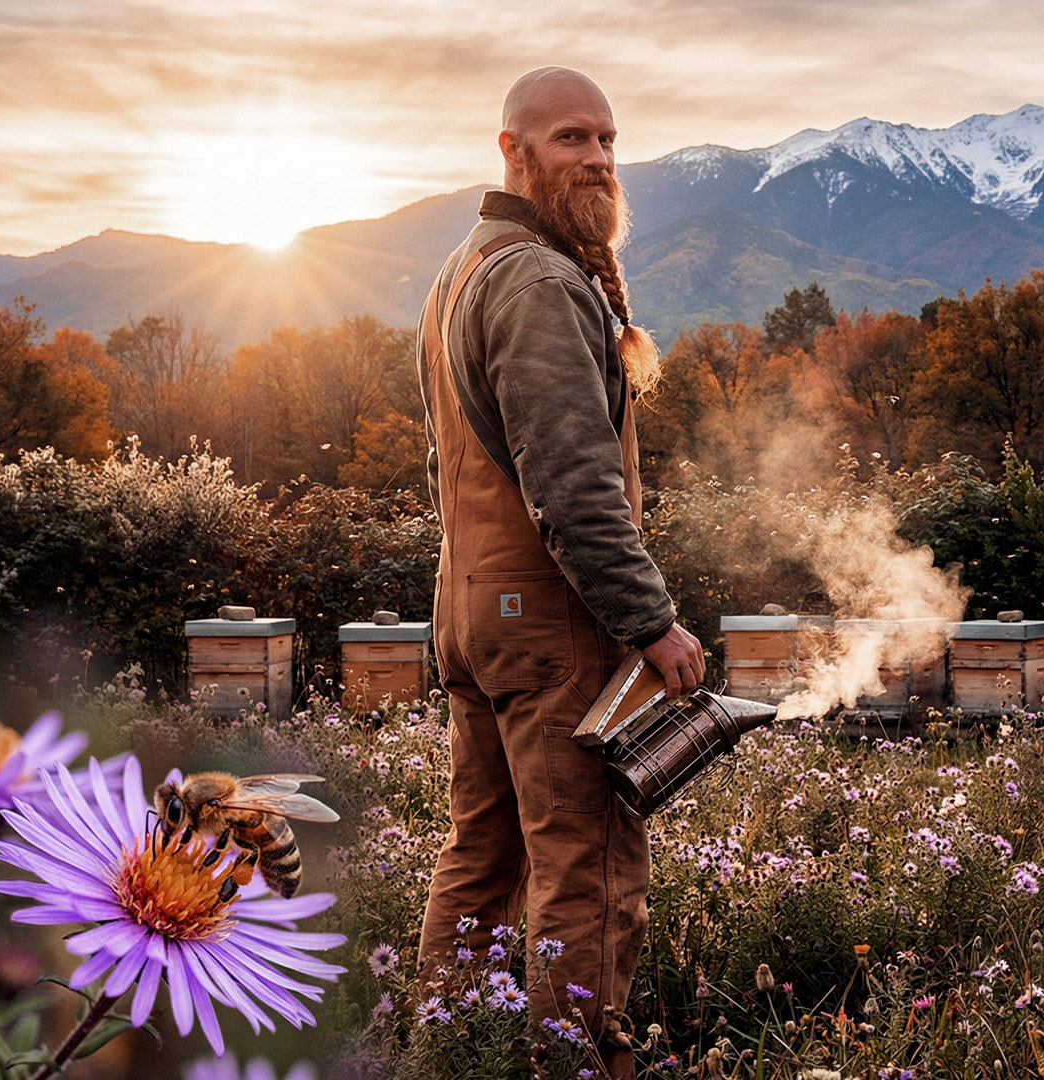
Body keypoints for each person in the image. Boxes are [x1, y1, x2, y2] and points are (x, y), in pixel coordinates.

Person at [414, 66, 705, 1078]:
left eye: (608, 140)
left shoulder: (463, 269)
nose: (597, 158)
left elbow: (451, 468)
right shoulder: (537, 281)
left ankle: (447, 1056)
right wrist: (651, 622)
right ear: (514, 149)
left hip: (472, 614)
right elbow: (574, 486)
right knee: (587, 863)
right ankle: (577, 1064)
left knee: (482, 856)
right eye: (572, 137)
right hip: (550, 625)